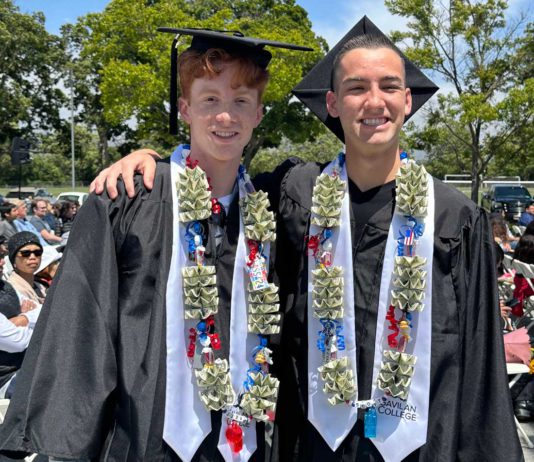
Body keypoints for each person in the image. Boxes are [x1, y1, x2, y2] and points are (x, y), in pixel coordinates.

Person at [94, 17, 521, 462]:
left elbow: (482, 362)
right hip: (312, 447)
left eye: (389, 86)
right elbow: (217, 179)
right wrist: (153, 160)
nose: (374, 101)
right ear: (332, 102)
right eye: (357, 88)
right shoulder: (295, 194)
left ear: (407, 99)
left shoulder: (455, 218)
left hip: (423, 446)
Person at [0, 28, 311, 462]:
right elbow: (83, 321)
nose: (226, 115)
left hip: (242, 440)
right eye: (210, 99)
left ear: (259, 113)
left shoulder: (267, 207)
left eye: (241, 101)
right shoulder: (129, 198)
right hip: (143, 438)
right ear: (184, 108)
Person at [0, 248, 41, 400]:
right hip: (6, 380)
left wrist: (23, 318)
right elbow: (18, 342)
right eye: (26, 253)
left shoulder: (5, 287)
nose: (2, 262)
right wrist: (34, 322)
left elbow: (43, 309)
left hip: (28, 364)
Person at [6, 232, 46, 305]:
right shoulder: (12, 291)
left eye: (37, 252)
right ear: (13, 260)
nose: (33, 257)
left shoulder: (40, 285)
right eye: (25, 253)